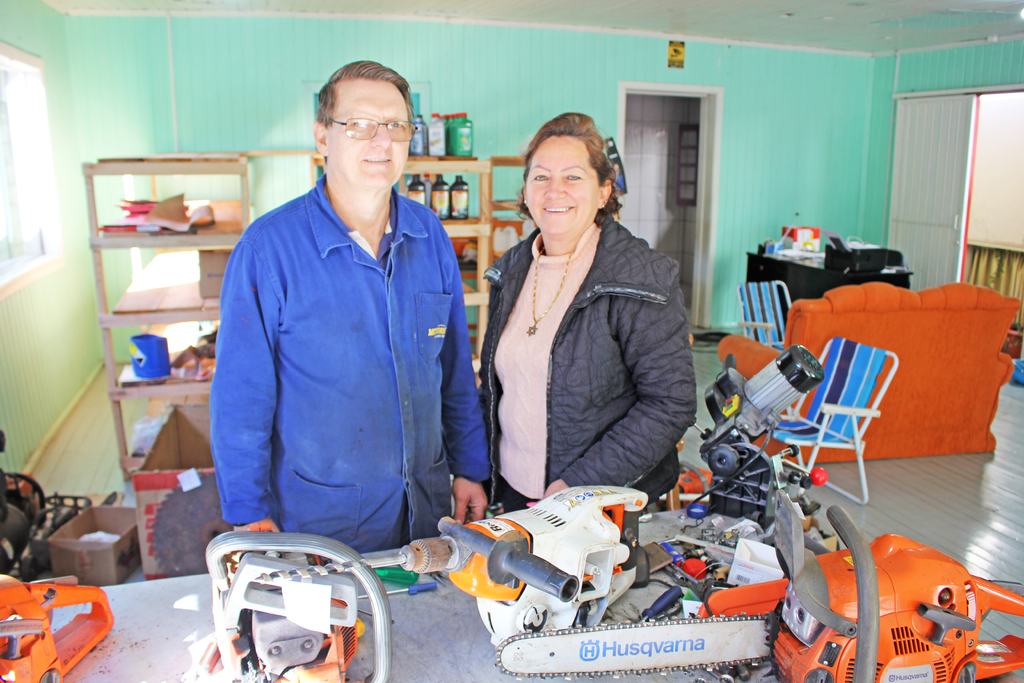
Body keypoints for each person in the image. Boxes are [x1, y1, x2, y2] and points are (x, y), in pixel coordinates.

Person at [210, 61, 488, 553]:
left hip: (425, 509)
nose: (381, 142)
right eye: (358, 124)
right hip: (321, 518)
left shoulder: (431, 235)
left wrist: (469, 468)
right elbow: (241, 396)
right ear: (322, 137)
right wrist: (248, 511)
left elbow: (452, 373)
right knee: (341, 632)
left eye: (397, 126)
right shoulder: (268, 250)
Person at [478, 112, 697, 512]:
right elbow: (494, 390)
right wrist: (476, 473)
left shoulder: (642, 275)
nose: (554, 191)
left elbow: (670, 403)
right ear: (526, 192)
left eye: (573, 177)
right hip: (514, 493)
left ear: (603, 192)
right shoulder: (509, 271)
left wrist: (576, 485)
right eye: (540, 177)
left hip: (600, 501)